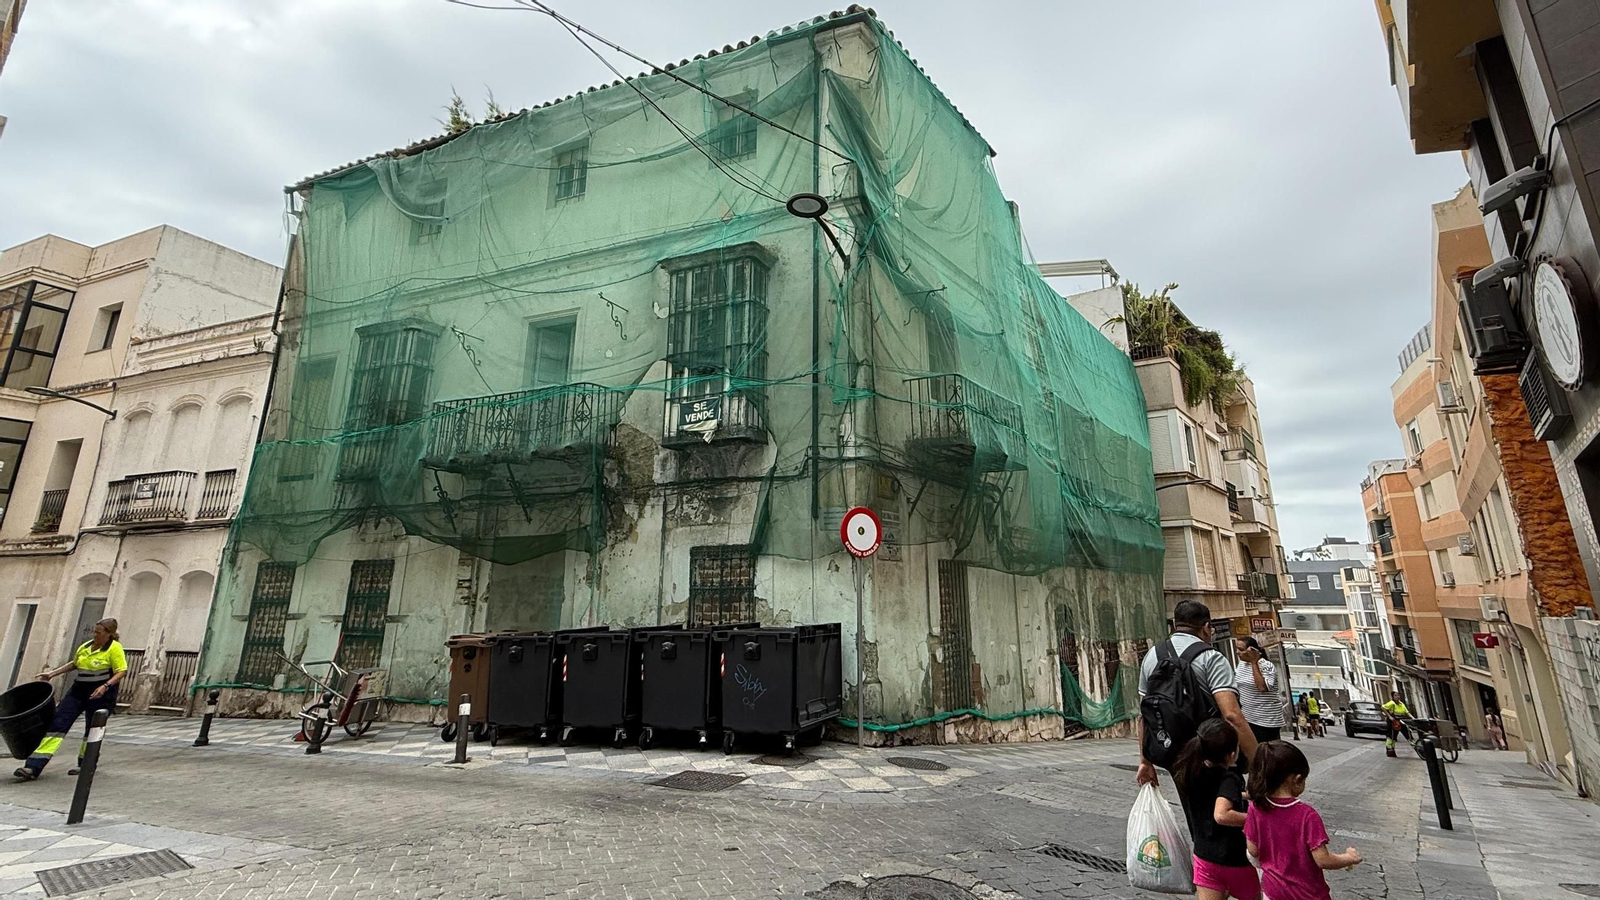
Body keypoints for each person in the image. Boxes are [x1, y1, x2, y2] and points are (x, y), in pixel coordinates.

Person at [1135, 599, 1258, 786]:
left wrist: (1145, 761)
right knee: (1226, 802)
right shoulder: (1212, 658)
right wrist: (1259, 762)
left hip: (1172, 752)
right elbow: (1232, 716)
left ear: (1175, 624)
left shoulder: (1151, 655)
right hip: (1212, 755)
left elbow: (1144, 715)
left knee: (1192, 804)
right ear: (1207, 627)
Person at [1245, 741, 1363, 900]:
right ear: (1297, 779)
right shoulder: (1307, 815)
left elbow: (1253, 850)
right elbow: (1323, 860)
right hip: (1308, 894)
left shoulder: (1256, 808)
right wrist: (1349, 858)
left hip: (1273, 892)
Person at [15, 619, 127, 781]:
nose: (95, 635)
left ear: (109, 634)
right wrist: (52, 673)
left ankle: (86, 764)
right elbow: (74, 664)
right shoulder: (86, 646)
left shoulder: (114, 648)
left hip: (101, 695)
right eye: (94, 631)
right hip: (78, 691)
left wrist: (105, 686)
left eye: (98, 632)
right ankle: (33, 766)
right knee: (58, 723)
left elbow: (121, 671)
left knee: (92, 730)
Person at [1174, 719, 1260, 900]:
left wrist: (1244, 796)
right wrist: (1256, 818)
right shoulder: (1229, 778)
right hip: (1234, 860)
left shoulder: (1191, 771)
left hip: (1204, 857)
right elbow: (1221, 815)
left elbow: (1211, 795)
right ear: (1232, 754)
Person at [1233, 637, 1285, 746]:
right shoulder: (1241, 664)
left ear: (1251, 650)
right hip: (1248, 717)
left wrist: (1254, 662)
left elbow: (1262, 687)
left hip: (1266, 720)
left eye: (1241, 649)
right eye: (1237, 648)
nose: (1237, 652)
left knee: (1265, 750)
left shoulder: (1266, 665)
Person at [1381, 691, 1412, 758]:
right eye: (1395, 695)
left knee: (1407, 731)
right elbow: (1383, 707)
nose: (1397, 696)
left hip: (1400, 721)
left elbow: (1407, 712)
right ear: (1392, 697)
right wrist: (1389, 716)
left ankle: (1414, 744)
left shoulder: (1401, 704)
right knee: (1392, 736)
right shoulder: (1391, 703)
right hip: (1392, 722)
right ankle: (1390, 750)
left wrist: (1413, 718)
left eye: (1398, 695)